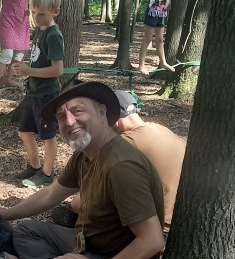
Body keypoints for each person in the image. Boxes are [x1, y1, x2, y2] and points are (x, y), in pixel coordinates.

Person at [0, 81, 165, 259]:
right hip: (86, 245)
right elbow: (49, 195)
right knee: (24, 231)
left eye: (78, 111)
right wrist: (4, 213)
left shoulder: (121, 166)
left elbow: (152, 241)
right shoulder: (84, 156)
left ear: (102, 112)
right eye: (61, 116)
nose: (69, 122)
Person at [53, 89, 186, 233]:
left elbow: (84, 201)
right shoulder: (161, 129)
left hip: (154, 225)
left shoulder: (124, 145)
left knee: (75, 205)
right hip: (178, 217)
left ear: (109, 118)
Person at [11, 0, 64, 188]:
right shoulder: (39, 31)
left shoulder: (54, 35)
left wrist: (29, 71)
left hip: (47, 95)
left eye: (41, 14)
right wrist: (23, 68)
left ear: (55, 11)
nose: (36, 17)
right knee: (24, 131)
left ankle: (47, 174)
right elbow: (37, 60)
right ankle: (35, 166)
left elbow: (57, 70)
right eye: (33, 12)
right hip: (33, 92)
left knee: (48, 136)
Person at [124, 0, 210, 75]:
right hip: (153, 13)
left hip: (162, 14)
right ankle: (141, 65)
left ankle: (163, 62)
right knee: (148, 39)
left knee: (159, 40)